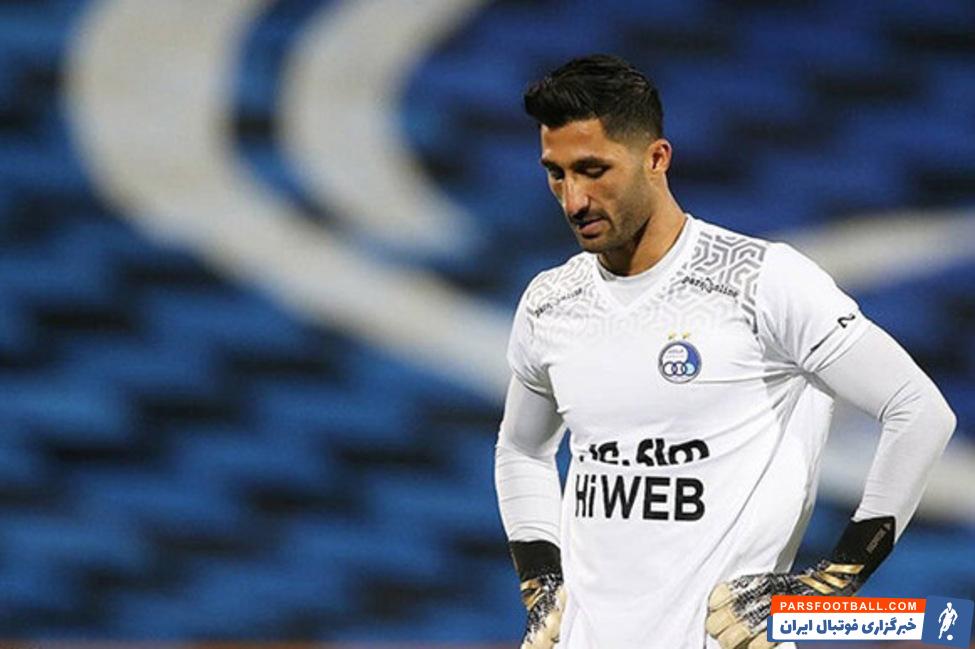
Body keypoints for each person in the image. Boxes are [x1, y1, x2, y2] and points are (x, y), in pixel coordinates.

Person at [494, 54, 957, 649]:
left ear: (656, 158)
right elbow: (521, 449)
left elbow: (919, 412)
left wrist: (832, 582)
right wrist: (540, 580)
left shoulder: (763, 281)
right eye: (556, 174)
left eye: (593, 170)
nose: (574, 199)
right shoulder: (550, 302)